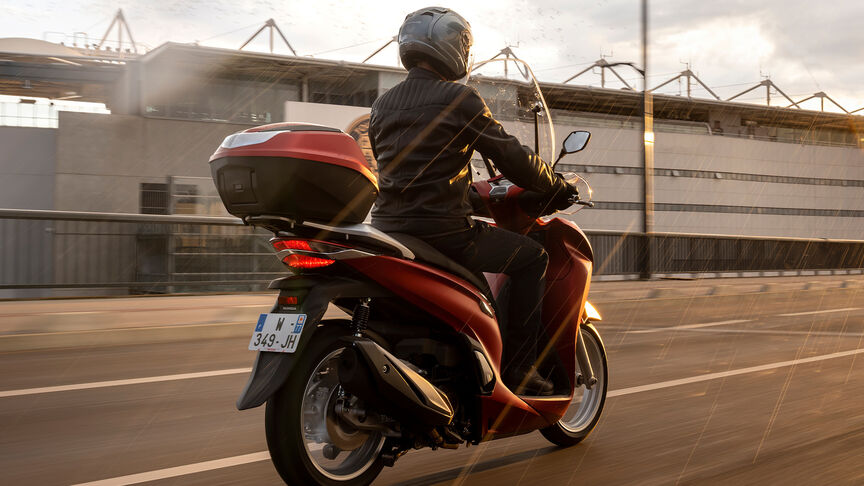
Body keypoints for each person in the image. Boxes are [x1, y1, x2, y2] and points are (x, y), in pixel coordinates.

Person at [368, 7, 577, 396]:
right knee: (533, 258)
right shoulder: (459, 98)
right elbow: (510, 156)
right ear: (452, 46)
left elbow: (405, 173)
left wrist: (467, 195)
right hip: (444, 232)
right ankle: (519, 369)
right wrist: (555, 183)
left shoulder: (383, 105)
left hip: (387, 228)